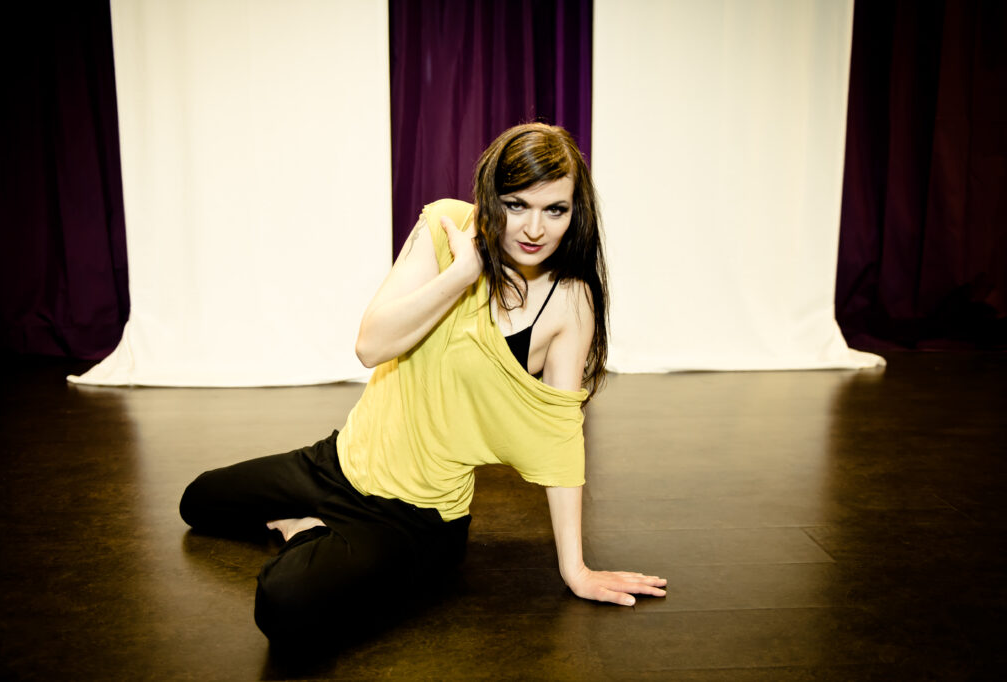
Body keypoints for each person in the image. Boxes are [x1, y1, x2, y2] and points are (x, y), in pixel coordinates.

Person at [179, 122, 667, 645]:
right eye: (516, 204)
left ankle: (305, 528)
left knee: (283, 605)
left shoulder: (569, 301)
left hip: (415, 517)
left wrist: (576, 569)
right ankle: (314, 520)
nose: (533, 228)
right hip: (340, 463)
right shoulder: (445, 227)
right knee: (199, 501)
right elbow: (371, 346)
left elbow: (559, 433)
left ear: (576, 212)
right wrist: (461, 274)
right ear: (491, 195)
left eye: (555, 209)